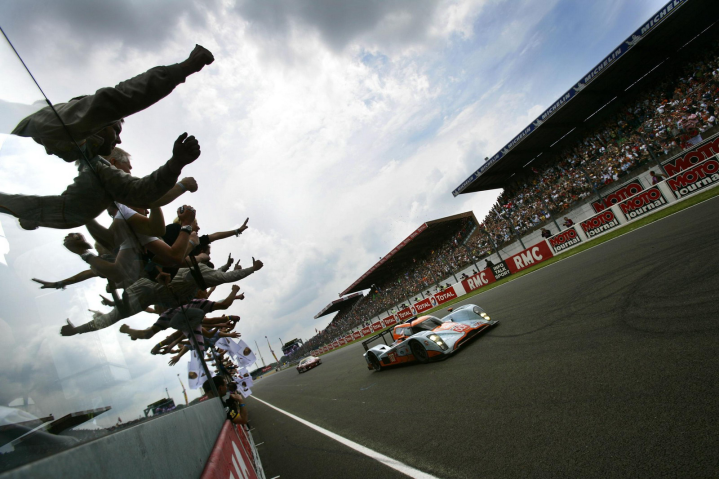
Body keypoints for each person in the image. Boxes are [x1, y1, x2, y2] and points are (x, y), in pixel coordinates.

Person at [2, 45, 214, 230]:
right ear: (99, 124)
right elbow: (113, 102)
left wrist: (175, 164)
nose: (119, 140)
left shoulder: (95, 166)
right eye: (116, 129)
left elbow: (138, 193)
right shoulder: (50, 119)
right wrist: (183, 69)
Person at [60, 257, 264, 336]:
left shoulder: (198, 282)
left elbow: (221, 275)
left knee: (115, 315)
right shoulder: (196, 272)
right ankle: (81, 327)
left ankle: (79, 328)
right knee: (116, 314)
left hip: (152, 296)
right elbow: (223, 277)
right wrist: (251, 269)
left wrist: (245, 269)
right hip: (147, 289)